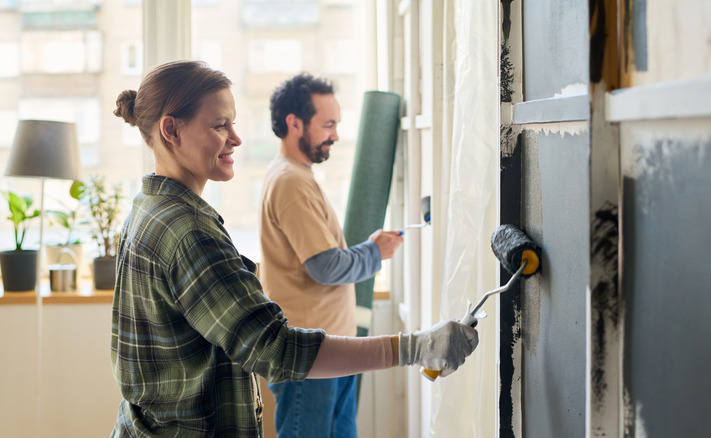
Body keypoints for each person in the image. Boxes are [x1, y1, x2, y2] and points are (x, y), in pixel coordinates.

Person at [110, 60, 479, 438]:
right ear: (171, 130)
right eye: (221, 125)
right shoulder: (189, 230)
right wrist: (416, 347)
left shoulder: (151, 207)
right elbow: (276, 346)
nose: (236, 138)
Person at [259, 72, 403, 438]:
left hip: (330, 348)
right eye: (328, 124)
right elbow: (325, 266)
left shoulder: (297, 175)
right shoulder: (290, 181)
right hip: (310, 354)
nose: (335, 135)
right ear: (295, 124)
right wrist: (375, 252)